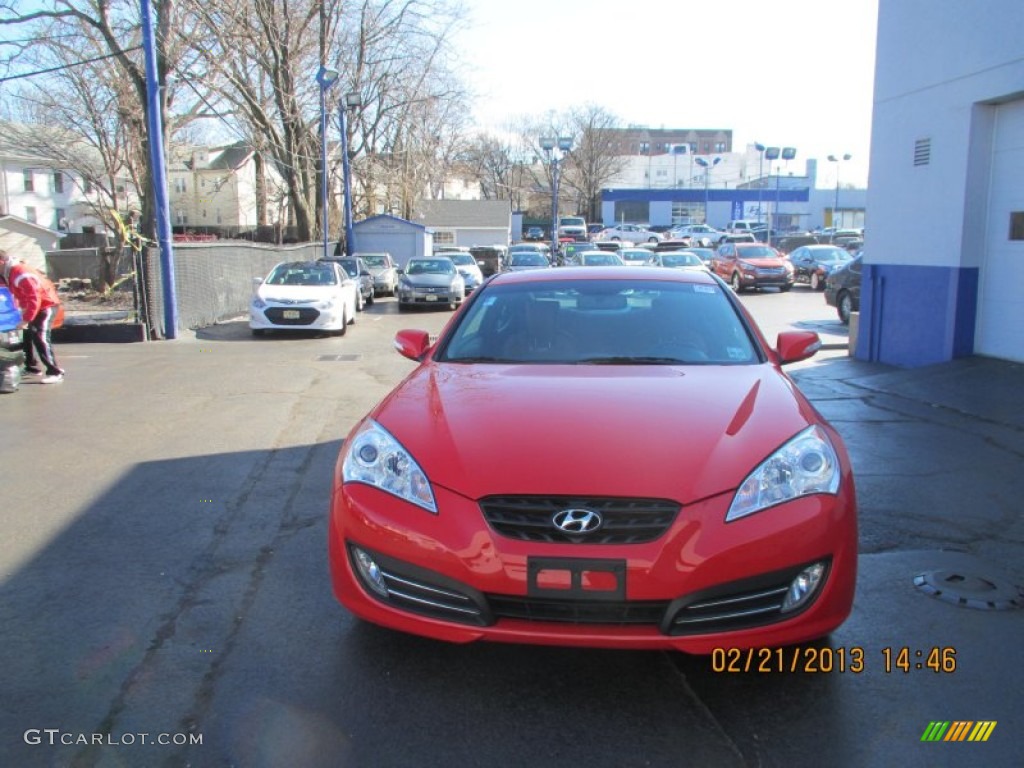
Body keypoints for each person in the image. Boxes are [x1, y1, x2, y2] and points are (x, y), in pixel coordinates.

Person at [0, 249, 65, 383]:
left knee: (40, 336)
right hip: (33, 307)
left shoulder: (21, 273)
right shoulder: (9, 272)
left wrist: (26, 319)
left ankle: (55, 372)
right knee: (26, 336)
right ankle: (32, 367)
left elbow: (34, 298)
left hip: (46, 306)